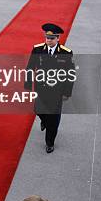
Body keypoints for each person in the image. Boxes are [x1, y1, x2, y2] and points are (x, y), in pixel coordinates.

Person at [24, 23, 75, 153]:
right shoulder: (38, 50)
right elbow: (30, 68)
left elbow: (70, 74)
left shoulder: (66, 53)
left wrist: (67, 93)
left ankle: (50, 142)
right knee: (38, 109)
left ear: (58, 38)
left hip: (57, 91)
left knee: (53, 118)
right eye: (47, 38)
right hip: (41, 88)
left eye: (52, 38)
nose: (48, 40)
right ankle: (45, 121)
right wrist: (28, 86)